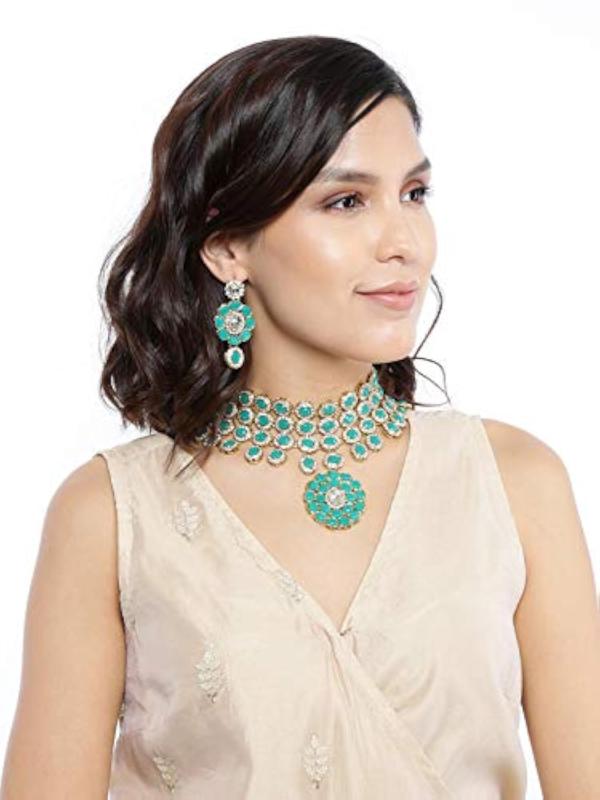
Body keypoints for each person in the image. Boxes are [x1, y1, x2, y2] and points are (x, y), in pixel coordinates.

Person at [2, 34, 599, 800]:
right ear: (228, 248)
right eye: (346, 202)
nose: (404, 243)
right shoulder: (113, 514)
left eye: (415, 194)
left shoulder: (512, 481)